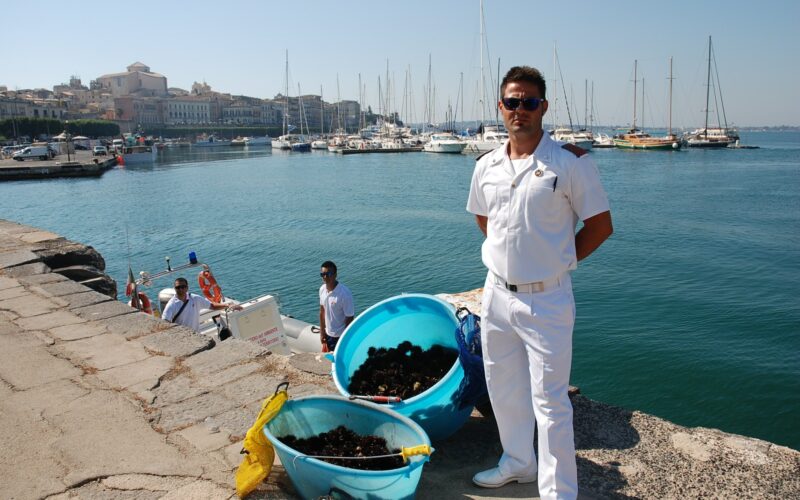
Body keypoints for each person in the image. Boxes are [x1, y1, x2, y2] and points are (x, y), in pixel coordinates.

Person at [466, 66, 613, 499]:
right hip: (496, 295)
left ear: (543, 107)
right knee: (503, 388)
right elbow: (485, 221)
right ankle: (517, 463)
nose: (520, 110)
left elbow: (600, 225)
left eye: (529, 102)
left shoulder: (569, 163)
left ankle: (558, 492)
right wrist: (510, 261)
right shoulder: (486, 165)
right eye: (512, 101)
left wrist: (558, 260)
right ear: (501, 107)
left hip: (547, 299)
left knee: (551, 404)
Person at [161, 277, 241, 333]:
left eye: (183, 287)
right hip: (183, 337)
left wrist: (228, 305)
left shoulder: (195, 298)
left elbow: (212, 306)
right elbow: (164, 322)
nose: (181, 289)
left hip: (196, 334)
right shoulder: (171, 305)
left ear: (187, 288)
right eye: (178, 287)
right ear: (174, 288)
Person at [318, 260, 354, 351]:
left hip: (340, 336)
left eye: (328, 274)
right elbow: (322, 311)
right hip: (328, 334)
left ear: (335, 274)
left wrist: (345, 339)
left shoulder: (344, 294)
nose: (325, 277)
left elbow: (349, 317)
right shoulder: (322, 290)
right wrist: (322, 332)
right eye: (323, 274)